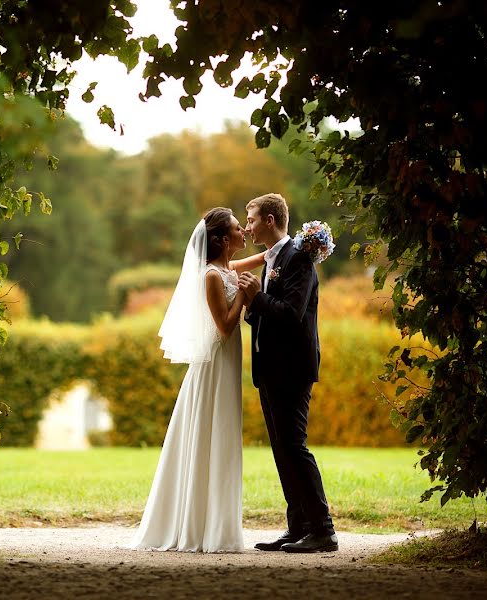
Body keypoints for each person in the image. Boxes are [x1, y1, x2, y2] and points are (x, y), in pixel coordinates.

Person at [127, 207, 266, 552]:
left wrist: (303, 244)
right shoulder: (211, 276)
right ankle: (199, 529)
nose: (244, 232)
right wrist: (248, 299)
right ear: (221, 239)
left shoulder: (228, 269)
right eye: (238, 228)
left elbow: (265, 256)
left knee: (220, 433)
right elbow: (223, 328)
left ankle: (213, 523)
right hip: (215, 365)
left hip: (227, 364)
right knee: (212, 432)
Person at [238, 193, 338, 553]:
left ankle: (323, 530)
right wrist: (252, 305)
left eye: (250, 219)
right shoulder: (272, 260)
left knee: (295, 446)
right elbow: (266, 312)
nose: (247, 226)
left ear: (268, 220)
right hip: (270, 367)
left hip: (292, 368)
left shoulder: (298, 259)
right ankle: (298, 527)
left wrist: (255, 299)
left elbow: (292, 313)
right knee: (282, 449)